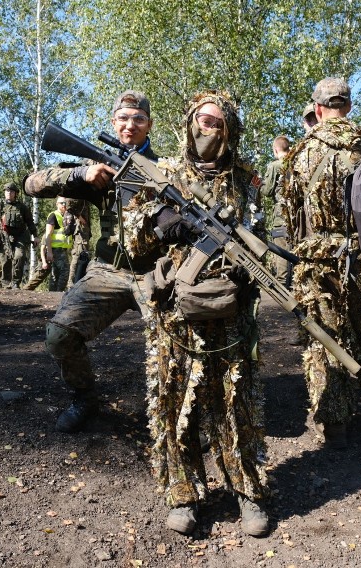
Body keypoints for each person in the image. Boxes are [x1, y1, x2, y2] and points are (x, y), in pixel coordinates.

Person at [143, 90, 269, 537]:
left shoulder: (247, 179)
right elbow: (136, 237)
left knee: (236, 404)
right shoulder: (165, 173)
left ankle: (247, 491)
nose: (205, 128)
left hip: (232, 307)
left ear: (229, 129)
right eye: (200, 119)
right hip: (178, 308)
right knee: (176, 403)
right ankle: (184, 493)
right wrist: (162, 223)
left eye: (215, 122)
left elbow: (266, 233)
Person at [23, 90, 161, 433]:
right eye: (123, 119)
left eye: (139, 119)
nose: (130, 126)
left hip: (158, 274)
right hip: (109, 270)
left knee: (182, 340)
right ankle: (85, 397)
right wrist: (80, 175)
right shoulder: (101, 167)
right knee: (58, 336)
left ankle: (178, 412)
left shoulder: (167, 170)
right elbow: (31, 184)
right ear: (114, 123)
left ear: (149, 125)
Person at [282, 77, 361, 447]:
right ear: (349, 106)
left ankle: (336, 423)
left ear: (318, 109)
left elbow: (291, 214)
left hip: (316, 263)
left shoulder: (299, 154)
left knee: (325, 338)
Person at [0, 182, 37, 289]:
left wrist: (35, 235)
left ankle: (16, 282)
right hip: (4, 236)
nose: (9, 193)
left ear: (16, 193)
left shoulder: (22, 207)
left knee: (19, 256)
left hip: (20, 237)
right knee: (5, 260)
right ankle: (5, 283)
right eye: (7, 191)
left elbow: (30, 222)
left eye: (11, 191)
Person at [24, 197, 75, 291]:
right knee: (65, 271)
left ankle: (52, 293)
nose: (64, 205)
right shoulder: (53, 215)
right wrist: (49, 252)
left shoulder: (67, 216)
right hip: (56, 249)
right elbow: (48, 235)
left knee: (55, 273)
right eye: (62, 203)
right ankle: (58, 292)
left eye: (65, 203)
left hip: (62, 249)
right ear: (57, 204)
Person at [260, 134, 292, 286]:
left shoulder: (275, 166)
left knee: (281, 250)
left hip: (281, 216)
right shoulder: (296, 163)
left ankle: (282, 285)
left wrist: (259, 184)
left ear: (275, 150)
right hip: (297, 217)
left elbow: (266, 191)